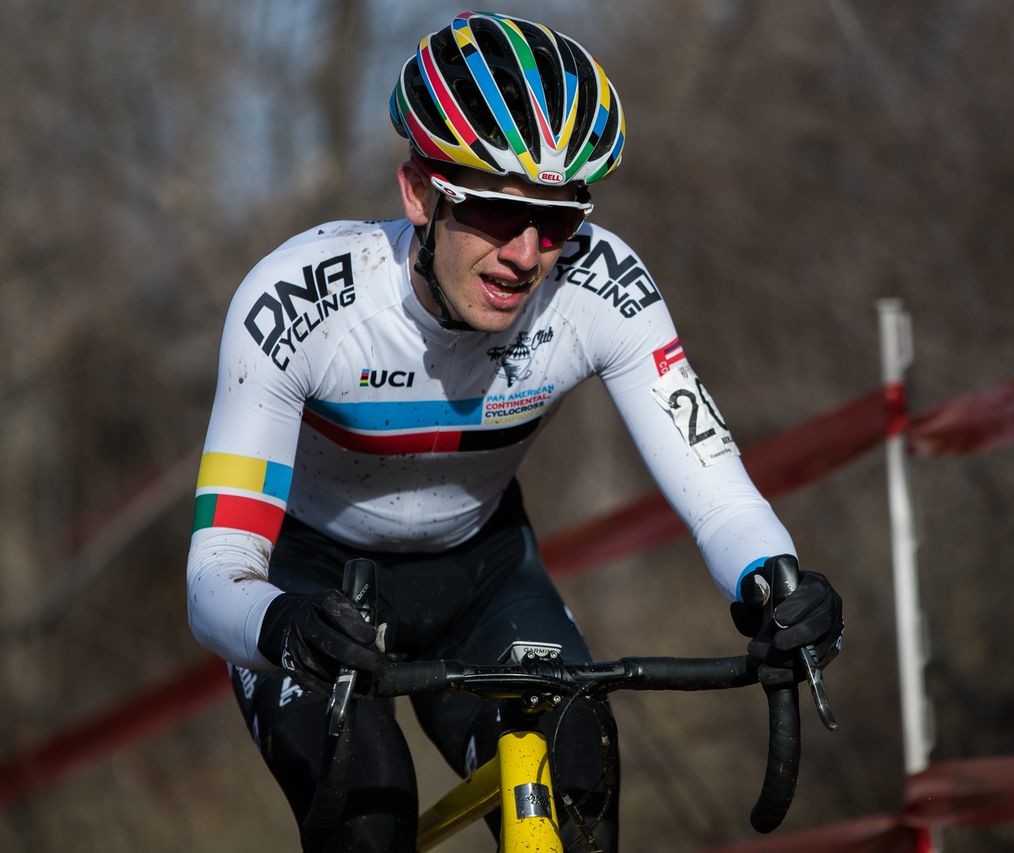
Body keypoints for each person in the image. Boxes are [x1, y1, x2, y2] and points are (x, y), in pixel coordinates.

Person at [186, 11, 843, 852]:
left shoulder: (601, 286)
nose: (528, 254)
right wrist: (283, 628)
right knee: (368, 811)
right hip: (310, 579)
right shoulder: (297, 306)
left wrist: (774, 582)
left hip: (483, 574)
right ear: (420, 192)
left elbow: (718, 493)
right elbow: (215, 577)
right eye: (497, 211)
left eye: (559, 220)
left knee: (578, 784)